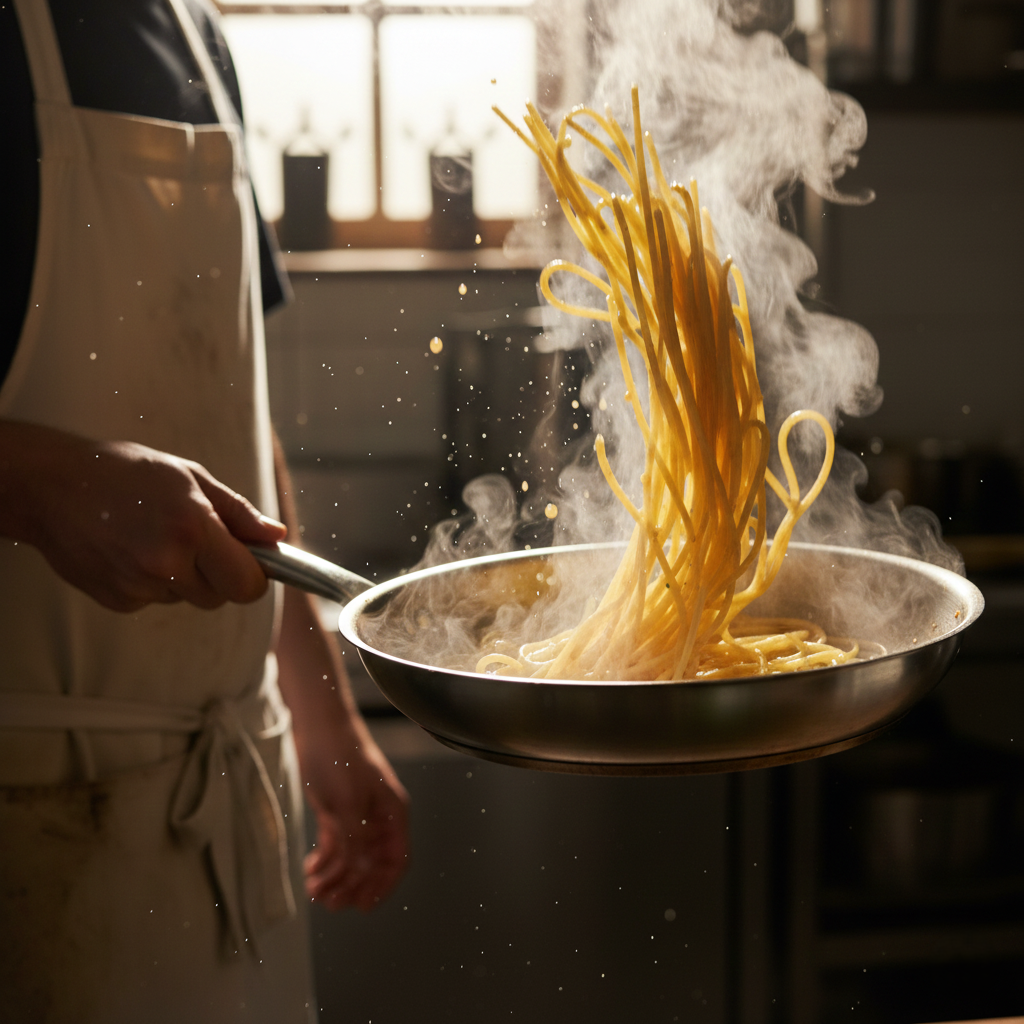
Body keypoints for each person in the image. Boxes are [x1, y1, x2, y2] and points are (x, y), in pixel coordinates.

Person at [0, 0, 410, 1020]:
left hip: (234, 802)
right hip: (31, 810)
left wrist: (325, 714)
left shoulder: (193, 29)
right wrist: (43, 486)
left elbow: (235, 409)